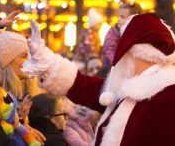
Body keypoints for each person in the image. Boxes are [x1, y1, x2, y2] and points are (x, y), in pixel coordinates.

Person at [23, 15, 175, 145]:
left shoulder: (167, 94)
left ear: (133, 54)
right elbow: (83, 86)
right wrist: (48, 63)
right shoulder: (132, 87)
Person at [101, 2, 142, 71]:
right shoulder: (113, 33)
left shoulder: (136, 33)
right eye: (118, 16)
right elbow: (109, 51)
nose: (118, 19)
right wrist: (122, 66)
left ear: (133, 19)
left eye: (122, 17)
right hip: (111, 70)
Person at [74, 8, 103, 73]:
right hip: (86, 63)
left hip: (84, 62)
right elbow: (90, 50)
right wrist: (95, 61)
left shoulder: (89, 32)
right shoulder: (91, 34)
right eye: (98, 24)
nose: (99, 26)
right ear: (94, 23)